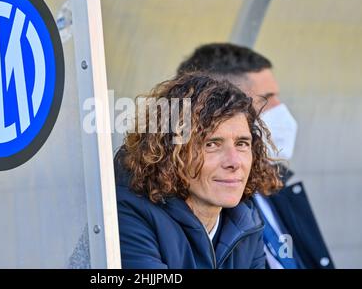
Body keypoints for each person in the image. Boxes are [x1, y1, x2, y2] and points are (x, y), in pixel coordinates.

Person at [177, 43, 334, 269]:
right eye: (267, 98)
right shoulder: (210, 199)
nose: (281, 109)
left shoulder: (276, 182)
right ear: (222, 104)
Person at [115, 73, 281, 268]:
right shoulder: (127, 214)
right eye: (211, 144)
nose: (234, 162)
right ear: (169, 152)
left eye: (242, 143)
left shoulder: (246, 221)